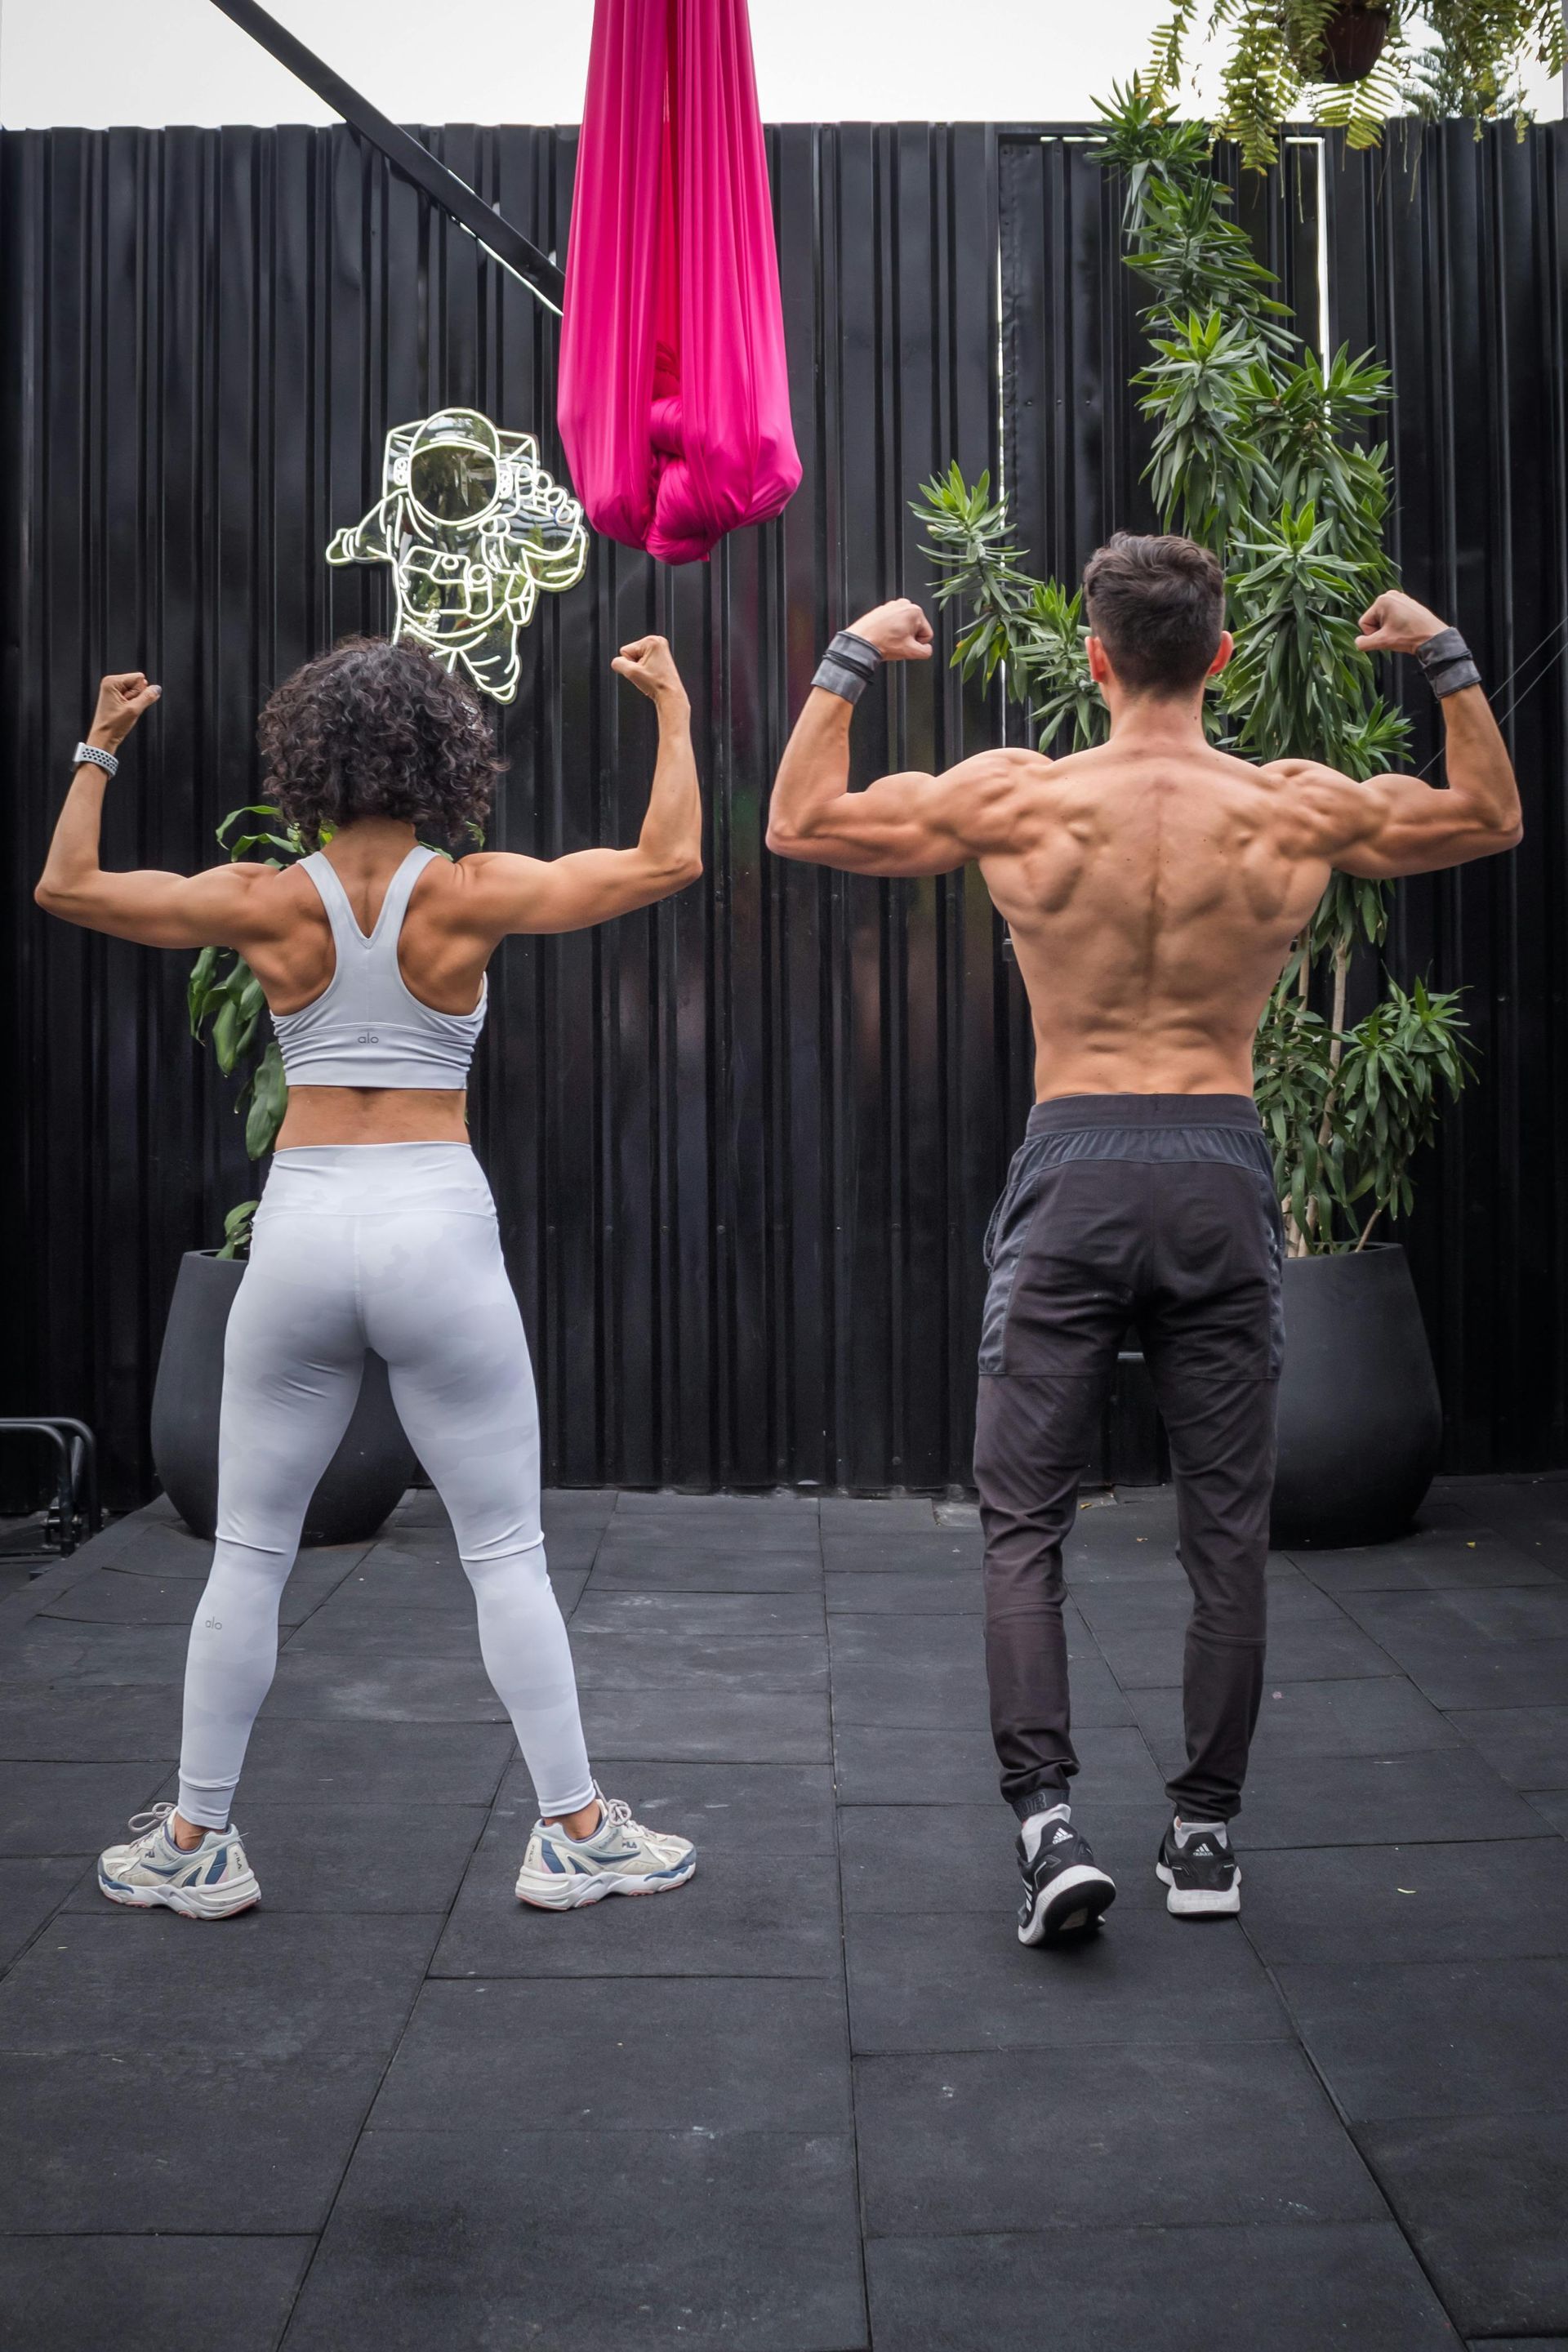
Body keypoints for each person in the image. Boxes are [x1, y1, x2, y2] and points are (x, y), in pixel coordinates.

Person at [765, 537, 1521, 1945]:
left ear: (1095, 659)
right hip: (1221, 1168)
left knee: (1023, 1522)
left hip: (1077, 1166)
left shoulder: (1022, 796)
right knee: (1227, 1530)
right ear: (1222, 658)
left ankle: (1048, 1829)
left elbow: (802, 821)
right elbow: (1488, 814)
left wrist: (854, 655)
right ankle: (1206, 1836)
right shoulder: (1290, 805)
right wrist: (1444, 654)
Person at [36, 631, 705, 1920]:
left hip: (301, 1225)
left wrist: (100, 746)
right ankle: (574, 1833)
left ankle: (193, 1841)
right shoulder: (472, 890)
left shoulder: (263, 898)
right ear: (441, 756)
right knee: (505, 1553)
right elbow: (667, 858)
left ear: (306, 762)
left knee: (248, 1555)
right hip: (434, 1221)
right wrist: (672, 709)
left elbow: (68, 888)